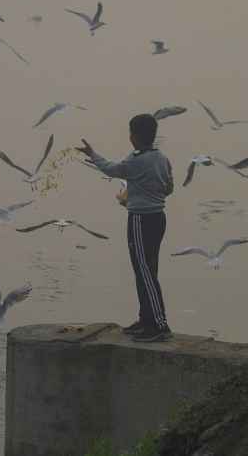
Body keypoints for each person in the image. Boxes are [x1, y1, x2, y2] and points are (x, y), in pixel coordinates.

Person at [77, 114, 174, 343]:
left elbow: (112, 170)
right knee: (147, 270)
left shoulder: (136, 161)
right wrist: (144, 194)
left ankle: (159, 325)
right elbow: (168, 187)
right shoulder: (161, 158)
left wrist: (92, 154)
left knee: (145, 272)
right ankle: (146, 320)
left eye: (131, 133)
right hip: (158, 217)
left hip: (141, 220)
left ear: (136, 137)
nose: (129, 136)